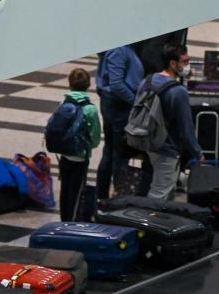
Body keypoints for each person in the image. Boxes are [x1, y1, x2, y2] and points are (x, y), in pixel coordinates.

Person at [143, 43, 204, 201]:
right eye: (185, 62)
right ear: (172, 63)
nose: (187, 66)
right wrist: (197, 152)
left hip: (148, 142)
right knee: (159, 194)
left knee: (164, 188)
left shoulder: (148, 81)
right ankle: (149, 222)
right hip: (167, 148)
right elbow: (186, 128)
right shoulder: (178, 92)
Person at [95, 45, 147, 199]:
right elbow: (116, 84)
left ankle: (103, 195)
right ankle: (117, 197)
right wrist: (135, 102)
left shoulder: (124, 49)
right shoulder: (119, 50)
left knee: (111, 151)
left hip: (114, 105)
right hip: (118, 107)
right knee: (119, 154)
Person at [53, 68, 102, 222]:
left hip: (64, 155)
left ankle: (63, 219)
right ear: (88, 85)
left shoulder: (64, 104)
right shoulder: (90, 109)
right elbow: (95, 139)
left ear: (70, 84)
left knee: (65, 190)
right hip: (80, 157)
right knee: (77, 192)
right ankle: (71, 222)